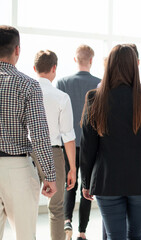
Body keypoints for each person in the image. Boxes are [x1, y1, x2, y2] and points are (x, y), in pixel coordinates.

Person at [80, 44, 141, 239]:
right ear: (134, 66)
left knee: (114, 236)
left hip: (106, 180)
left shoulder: (94, 98)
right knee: (136, 235)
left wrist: (85, 182)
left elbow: (87, 146)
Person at [0, 25, 57, 240]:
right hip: (17, 169)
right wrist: (50, 175)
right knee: (25, 236)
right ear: (17, 50)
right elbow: (39, 134)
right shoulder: (28, 85)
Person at [56, 44, 100, 240]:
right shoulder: (100, 85)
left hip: (68, 143)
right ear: (91, 60)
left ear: (75, 59)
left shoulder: (63, 82)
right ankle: (82, 231)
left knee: (69, 183)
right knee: (87, 187)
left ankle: (67, 221)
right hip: (91, 144)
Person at [33, 50, 77, 240]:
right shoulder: (61, 97)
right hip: (53, 153)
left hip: (27, 153)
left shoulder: (25, 92)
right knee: (57, 208)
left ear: (34, 69)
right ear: (54, 69)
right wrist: (72, 168)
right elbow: (68, 136)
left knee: (25, 206)